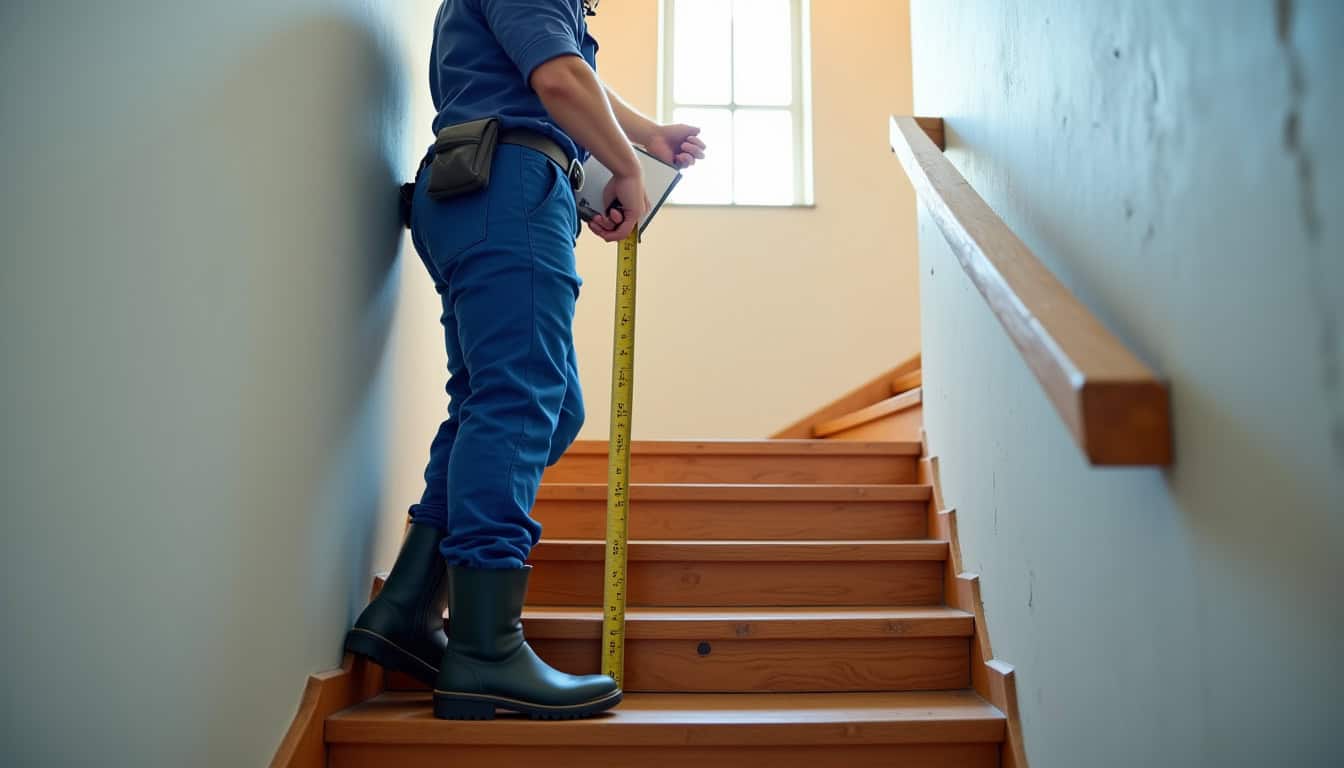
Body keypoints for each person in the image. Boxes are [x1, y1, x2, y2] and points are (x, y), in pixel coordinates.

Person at [344, 0, 706, 721]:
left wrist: (644, 136)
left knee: (532, 405)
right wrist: (625, 166)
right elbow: (559, 79)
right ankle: (485, 647)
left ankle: (410, 604)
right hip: (508, 185)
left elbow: (565, 72)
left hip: (486, 186)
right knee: (516, 402)